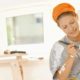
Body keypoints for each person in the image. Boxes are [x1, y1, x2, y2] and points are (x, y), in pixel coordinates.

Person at [49, 3, 80, 80]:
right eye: (65, 27)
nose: (70, 29)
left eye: (72, 22)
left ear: (76, 17)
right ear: (60, 27)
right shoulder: (58, 47)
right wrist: (71, 56)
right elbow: (59, 78)